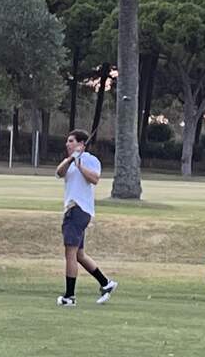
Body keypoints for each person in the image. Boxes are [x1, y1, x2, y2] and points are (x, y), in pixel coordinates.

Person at [54, 129, 117, 306]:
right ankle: (106, 283)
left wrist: (80, 164)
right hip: (71, 210)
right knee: (79, 254)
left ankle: (69, 296)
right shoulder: (68, 161)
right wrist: (71, 159)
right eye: (67, 141)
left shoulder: (91, 160)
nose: (68, 144)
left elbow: (94, 179)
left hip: (79, 210)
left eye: (71, 141)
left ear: (81, 144)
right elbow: (59, 172)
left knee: (70, 253)